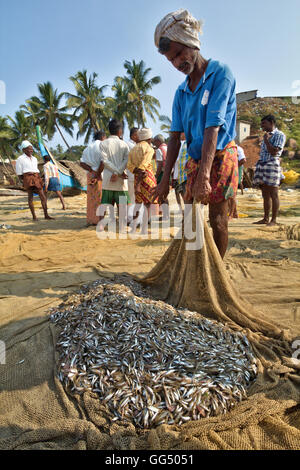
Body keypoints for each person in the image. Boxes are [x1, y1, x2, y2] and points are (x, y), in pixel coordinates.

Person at [153, 9, 238, 258]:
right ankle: (193, 268)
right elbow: (174, 137)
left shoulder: (219, 73)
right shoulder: (181, 92)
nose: (178, 63)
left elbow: (213, 126)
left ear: (192, 43)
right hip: (194, 159)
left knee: (218, 220)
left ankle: (217, 272)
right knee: (190, 219)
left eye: (180, 53)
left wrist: (204, 177)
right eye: (172, 60)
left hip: (221, 155)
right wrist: (164, 180)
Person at [253, 115, 286, 226]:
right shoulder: (266, 135)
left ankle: (274, 220)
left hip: (272, 164)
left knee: (273, 193)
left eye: (264, 124)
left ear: (271, 122)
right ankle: (265, 218)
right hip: (262, 165)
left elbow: (274, 152)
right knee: (265, 194)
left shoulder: (279, 135)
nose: (262, 126)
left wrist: (266, 141)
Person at [97, 119, 130, 232]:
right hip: (120, 180)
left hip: (107, 178)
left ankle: (101, 225)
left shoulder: (103, 144)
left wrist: (114, 172)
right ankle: (121, 227)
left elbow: (104, 161)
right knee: (122, 205)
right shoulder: (124, 144)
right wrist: (118, 172)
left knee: (105, 203)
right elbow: (126, 161)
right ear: (120, 131)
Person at [127, 128, 158, 235]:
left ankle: (133, 228)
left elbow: (129, 166)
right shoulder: (149, 149)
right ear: (149, 138)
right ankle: (144, 229)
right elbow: (143, 167)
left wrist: (137, 181)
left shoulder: (133, 148)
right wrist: (139, 185)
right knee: (147, 204)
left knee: (138, 203)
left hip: (136, 178)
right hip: (146, 178)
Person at [15, 140, 54, 221]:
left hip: (36, 177)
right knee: (30, 197)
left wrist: (38, 178)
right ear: (24, 150)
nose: (31, 150)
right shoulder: (20, 159)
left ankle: (46, 215)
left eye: (31, 149)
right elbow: (19, 172)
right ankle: (34, 217)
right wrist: (24, 181)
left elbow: (35, 169)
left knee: (43, 197)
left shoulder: (35, 158)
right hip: (27, 177)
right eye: (29, 149)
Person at [80, 130, 106, 226]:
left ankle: (91, 220)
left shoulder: (87, 148)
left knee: (91, 199)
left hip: (90, 175)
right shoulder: (102, 146)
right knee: (100, 198)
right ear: (103, 137)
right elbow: (103, 163)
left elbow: (81, 163)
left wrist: (91, 170)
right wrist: (97, 174)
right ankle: (99, 220)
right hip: (100, 174)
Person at [172, 133, 190, 213]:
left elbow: (177, 160)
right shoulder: (182, 144)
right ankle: (183, 213)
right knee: (181, 194)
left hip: (183, 175)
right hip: (180, 175)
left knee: (185, 196)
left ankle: (185, 214)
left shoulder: (183, 144)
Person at [153, 134, 169, 220]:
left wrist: (156, 176)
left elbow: (159, 165)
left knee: (162, 195)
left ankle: (165, 216)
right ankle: (166, 215)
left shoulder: (159, 150)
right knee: (165, 195)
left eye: (155, 142)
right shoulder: (167, 148)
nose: (154, 144)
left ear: (158, 141)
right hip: (168, 174)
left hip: (162, 174)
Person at [228, 145, 246, 220]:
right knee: (228, 194)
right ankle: (234, 213)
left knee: (232, 194)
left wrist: (234, 166)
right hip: (228, 172)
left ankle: (231, 214)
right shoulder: (225, 147)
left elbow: (243, 160)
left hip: (234, 173)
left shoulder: (237, 148)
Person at [126, 127, 139, 223]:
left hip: (130, 175)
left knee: (130, 198)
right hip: (132, 175)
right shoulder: (132, 146)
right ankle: (131, 218)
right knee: (132, 198)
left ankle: (130, 217)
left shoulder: (130, 144)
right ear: (134, 135)